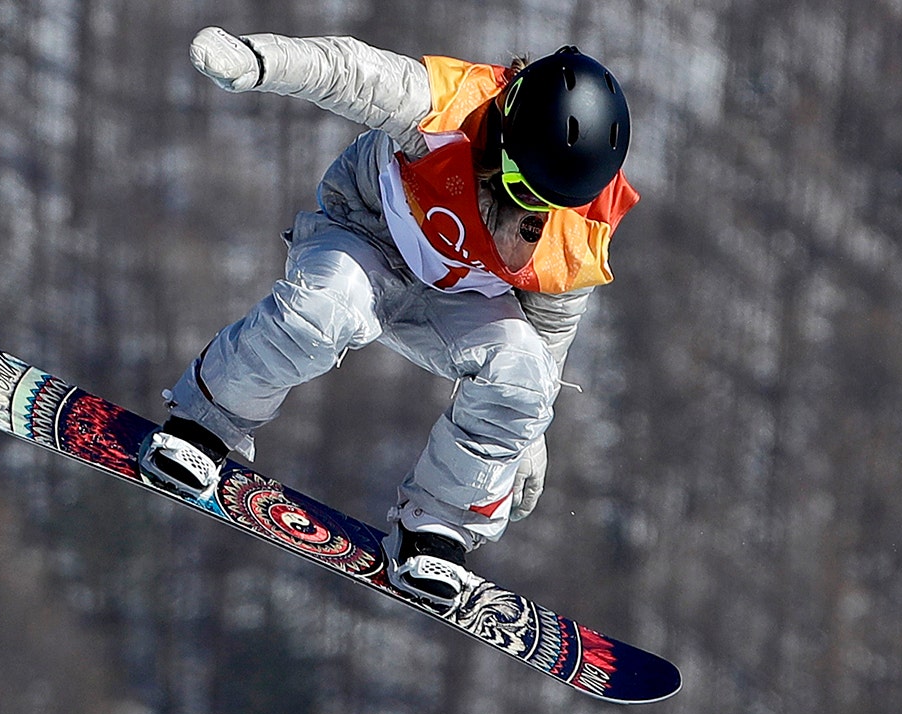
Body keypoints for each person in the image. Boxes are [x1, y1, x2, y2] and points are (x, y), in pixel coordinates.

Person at [141, 27, 638, 610]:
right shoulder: (448, 105)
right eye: (521, 191)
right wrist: (255, 61)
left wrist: (528, 428)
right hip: (368, 237)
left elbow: (551, 322)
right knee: (320, 315)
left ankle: (436, 528)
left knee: (523, 379)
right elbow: (348, 71)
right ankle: (205, 423)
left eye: (548, 205)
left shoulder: (579, 219)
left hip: (458, 298)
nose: (532, 214)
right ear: (504, 138)